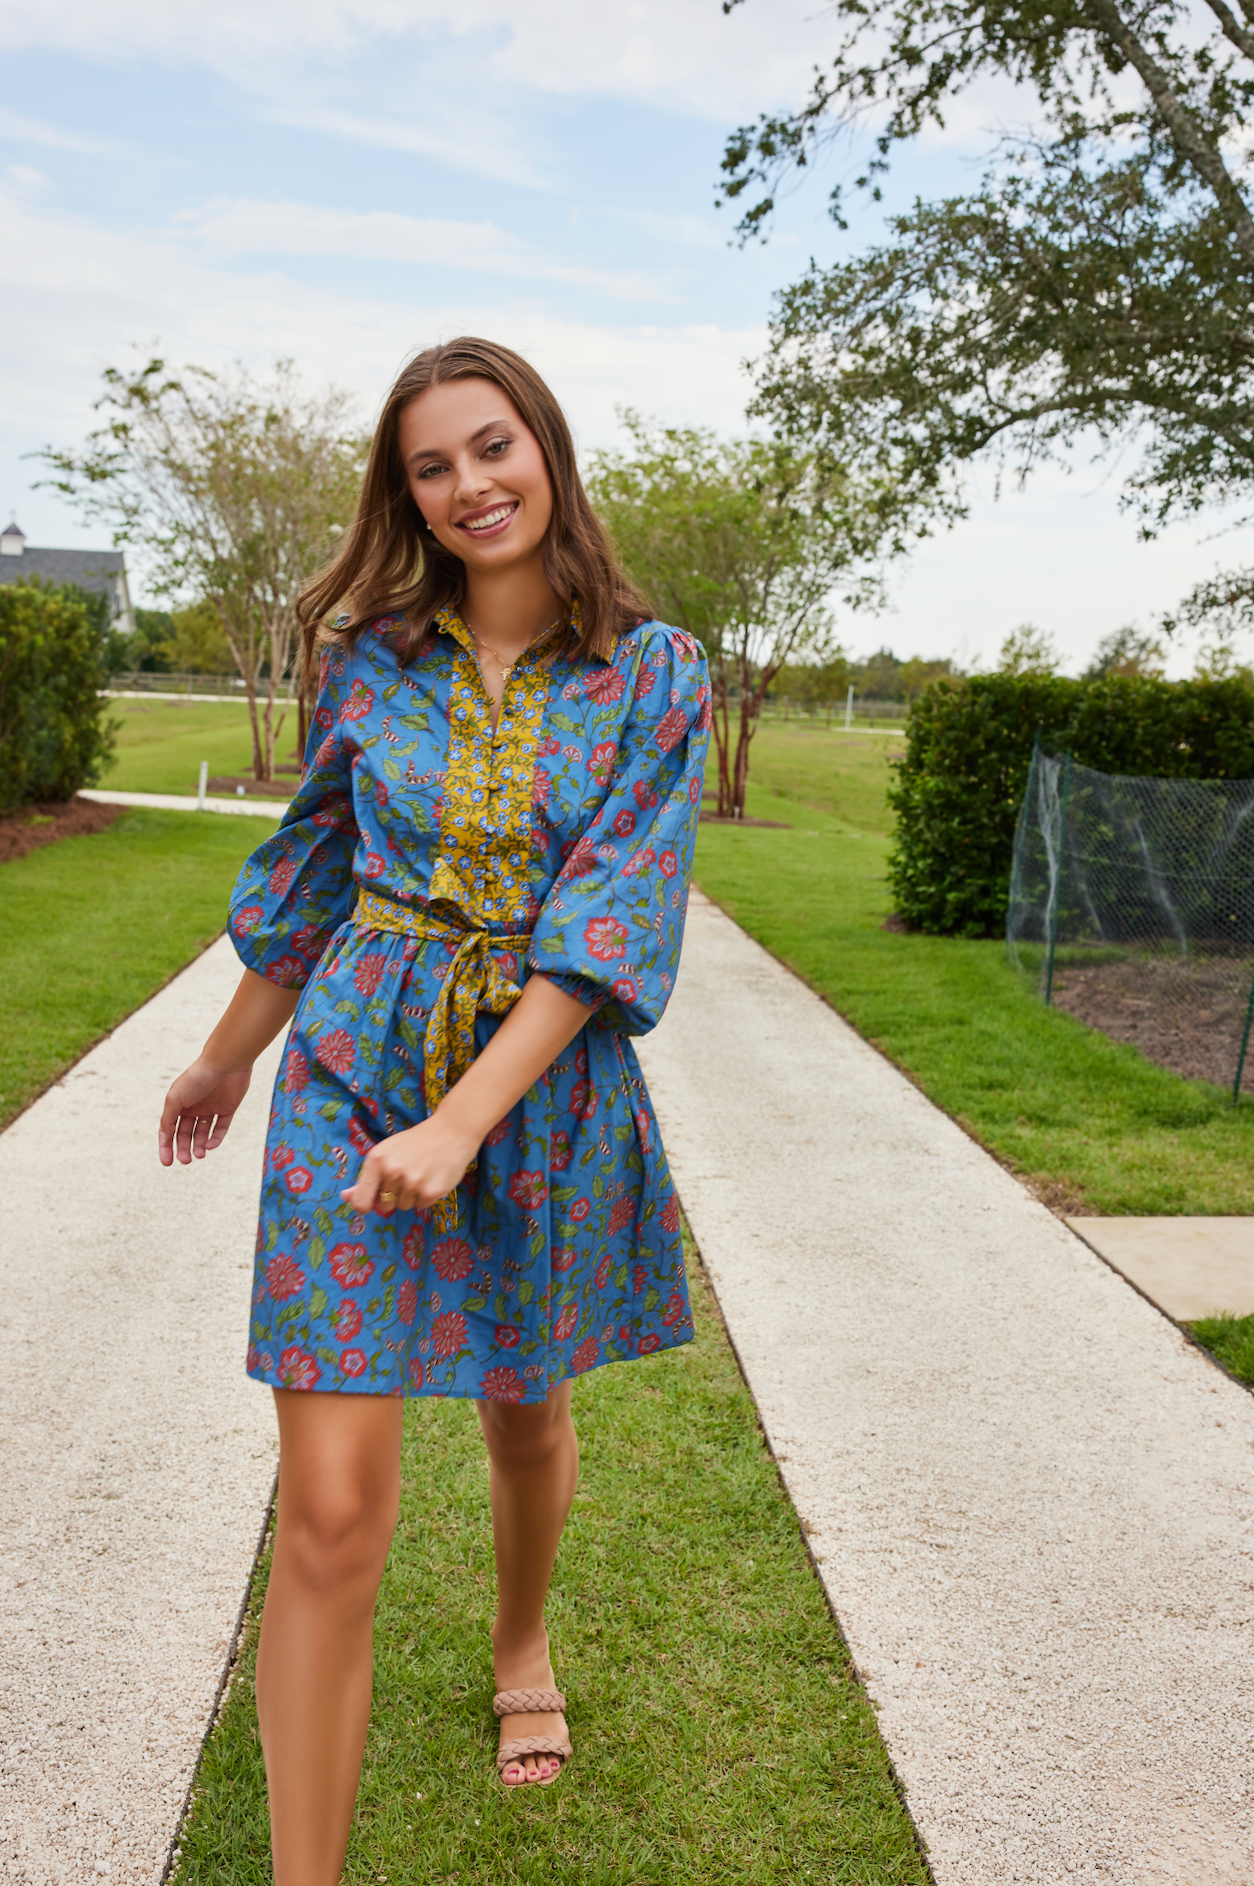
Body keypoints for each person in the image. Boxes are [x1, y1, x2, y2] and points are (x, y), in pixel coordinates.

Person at [158, 336, 711, 1883]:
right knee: (330, 1511)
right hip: (351, 1072)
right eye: (431, 464)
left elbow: (607, 924)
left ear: (546, 447)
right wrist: (226, 1053)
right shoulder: (372, 658)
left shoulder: (653, 673)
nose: (471, 484)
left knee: (524, 1403)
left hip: (536, 1093)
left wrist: (464, 1119)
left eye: (492, 445)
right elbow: (316, 871)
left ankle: (518, 1633)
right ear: (403, 494)